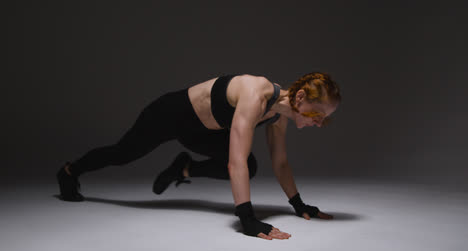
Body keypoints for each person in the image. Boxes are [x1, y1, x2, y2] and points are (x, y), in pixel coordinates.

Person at [56, 72, 341, 240]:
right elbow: (234, 161)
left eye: (324, 120)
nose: (318, 124)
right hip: (169, 115)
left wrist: (299, 205)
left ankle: (184, 169)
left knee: (252, 166)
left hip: (200, 133)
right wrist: (248, 220)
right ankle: (70, 171)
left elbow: (280, 162)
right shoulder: (256, 94)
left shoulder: (279, 116)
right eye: (318, 115)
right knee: (122, 154)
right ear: (301, 98)